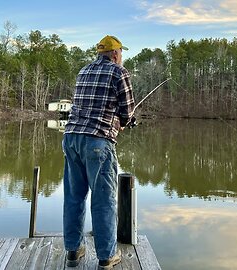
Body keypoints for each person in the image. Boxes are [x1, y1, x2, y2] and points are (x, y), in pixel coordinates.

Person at [62, 35, 136, 269]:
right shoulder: (118, 72)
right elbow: (127, 112)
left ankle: (73, 251)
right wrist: (125, 121)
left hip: (71, 138)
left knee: (74, 197)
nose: (121, 57)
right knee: (103, 200)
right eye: (121, 53)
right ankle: (106, 256)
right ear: (115, 54)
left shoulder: (83, 71)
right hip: (98, 143)